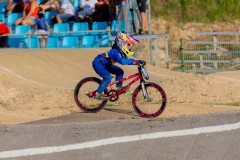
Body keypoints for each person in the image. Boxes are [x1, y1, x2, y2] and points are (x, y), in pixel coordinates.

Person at [92, 31, 145, 100]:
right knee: (108, 78)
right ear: (122, 43)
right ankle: (97, 94)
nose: (130, 47)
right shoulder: (115, 51)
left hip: (106, 64)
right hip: (98, 63)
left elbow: (127, 61)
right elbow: (122, 61)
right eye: (128, 44)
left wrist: (137, 62)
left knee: (120, 72)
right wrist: (135, 61)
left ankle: (119, 88)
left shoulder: (120, 52)